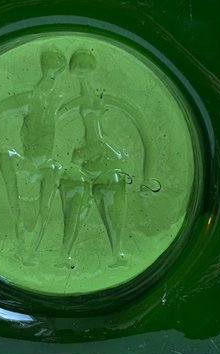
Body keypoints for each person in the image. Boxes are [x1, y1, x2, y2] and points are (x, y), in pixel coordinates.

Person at [57, 48, 158, 268]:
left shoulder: (102, 99)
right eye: (78, 69)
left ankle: (116, 253)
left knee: (111, 201)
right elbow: (56, 118)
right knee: (76, 201)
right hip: (86, 159)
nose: (81, 74)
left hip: (106, 158)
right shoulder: (78, 101)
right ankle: (65, 254)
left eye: (85, 69)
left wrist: (147, 177)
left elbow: (141, 127)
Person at [0, 47, 67, 257]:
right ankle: (25, 242)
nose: (53, 75)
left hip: (45, 167)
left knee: (51, 171)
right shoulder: (30, 100)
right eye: (52, 68)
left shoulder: (53, 99)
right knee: (7, 154)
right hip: (27, 163)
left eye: (56, 70)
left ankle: (31, 248)